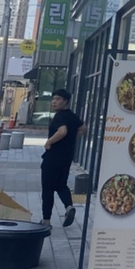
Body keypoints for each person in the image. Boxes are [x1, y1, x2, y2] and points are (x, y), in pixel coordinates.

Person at [40, 88, 84, 227]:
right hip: (66, 157)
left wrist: (49, 142)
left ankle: (46, 220)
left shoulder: (59, 116)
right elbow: (83, 128)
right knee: (60, 185)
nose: (54, 102)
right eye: (53, 99)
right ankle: (69, 206)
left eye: (58, 99)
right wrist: (71, 140)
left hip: (53, 157)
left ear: (66, 101)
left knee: (47, 188)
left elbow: (62, 131)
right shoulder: (72, 116)